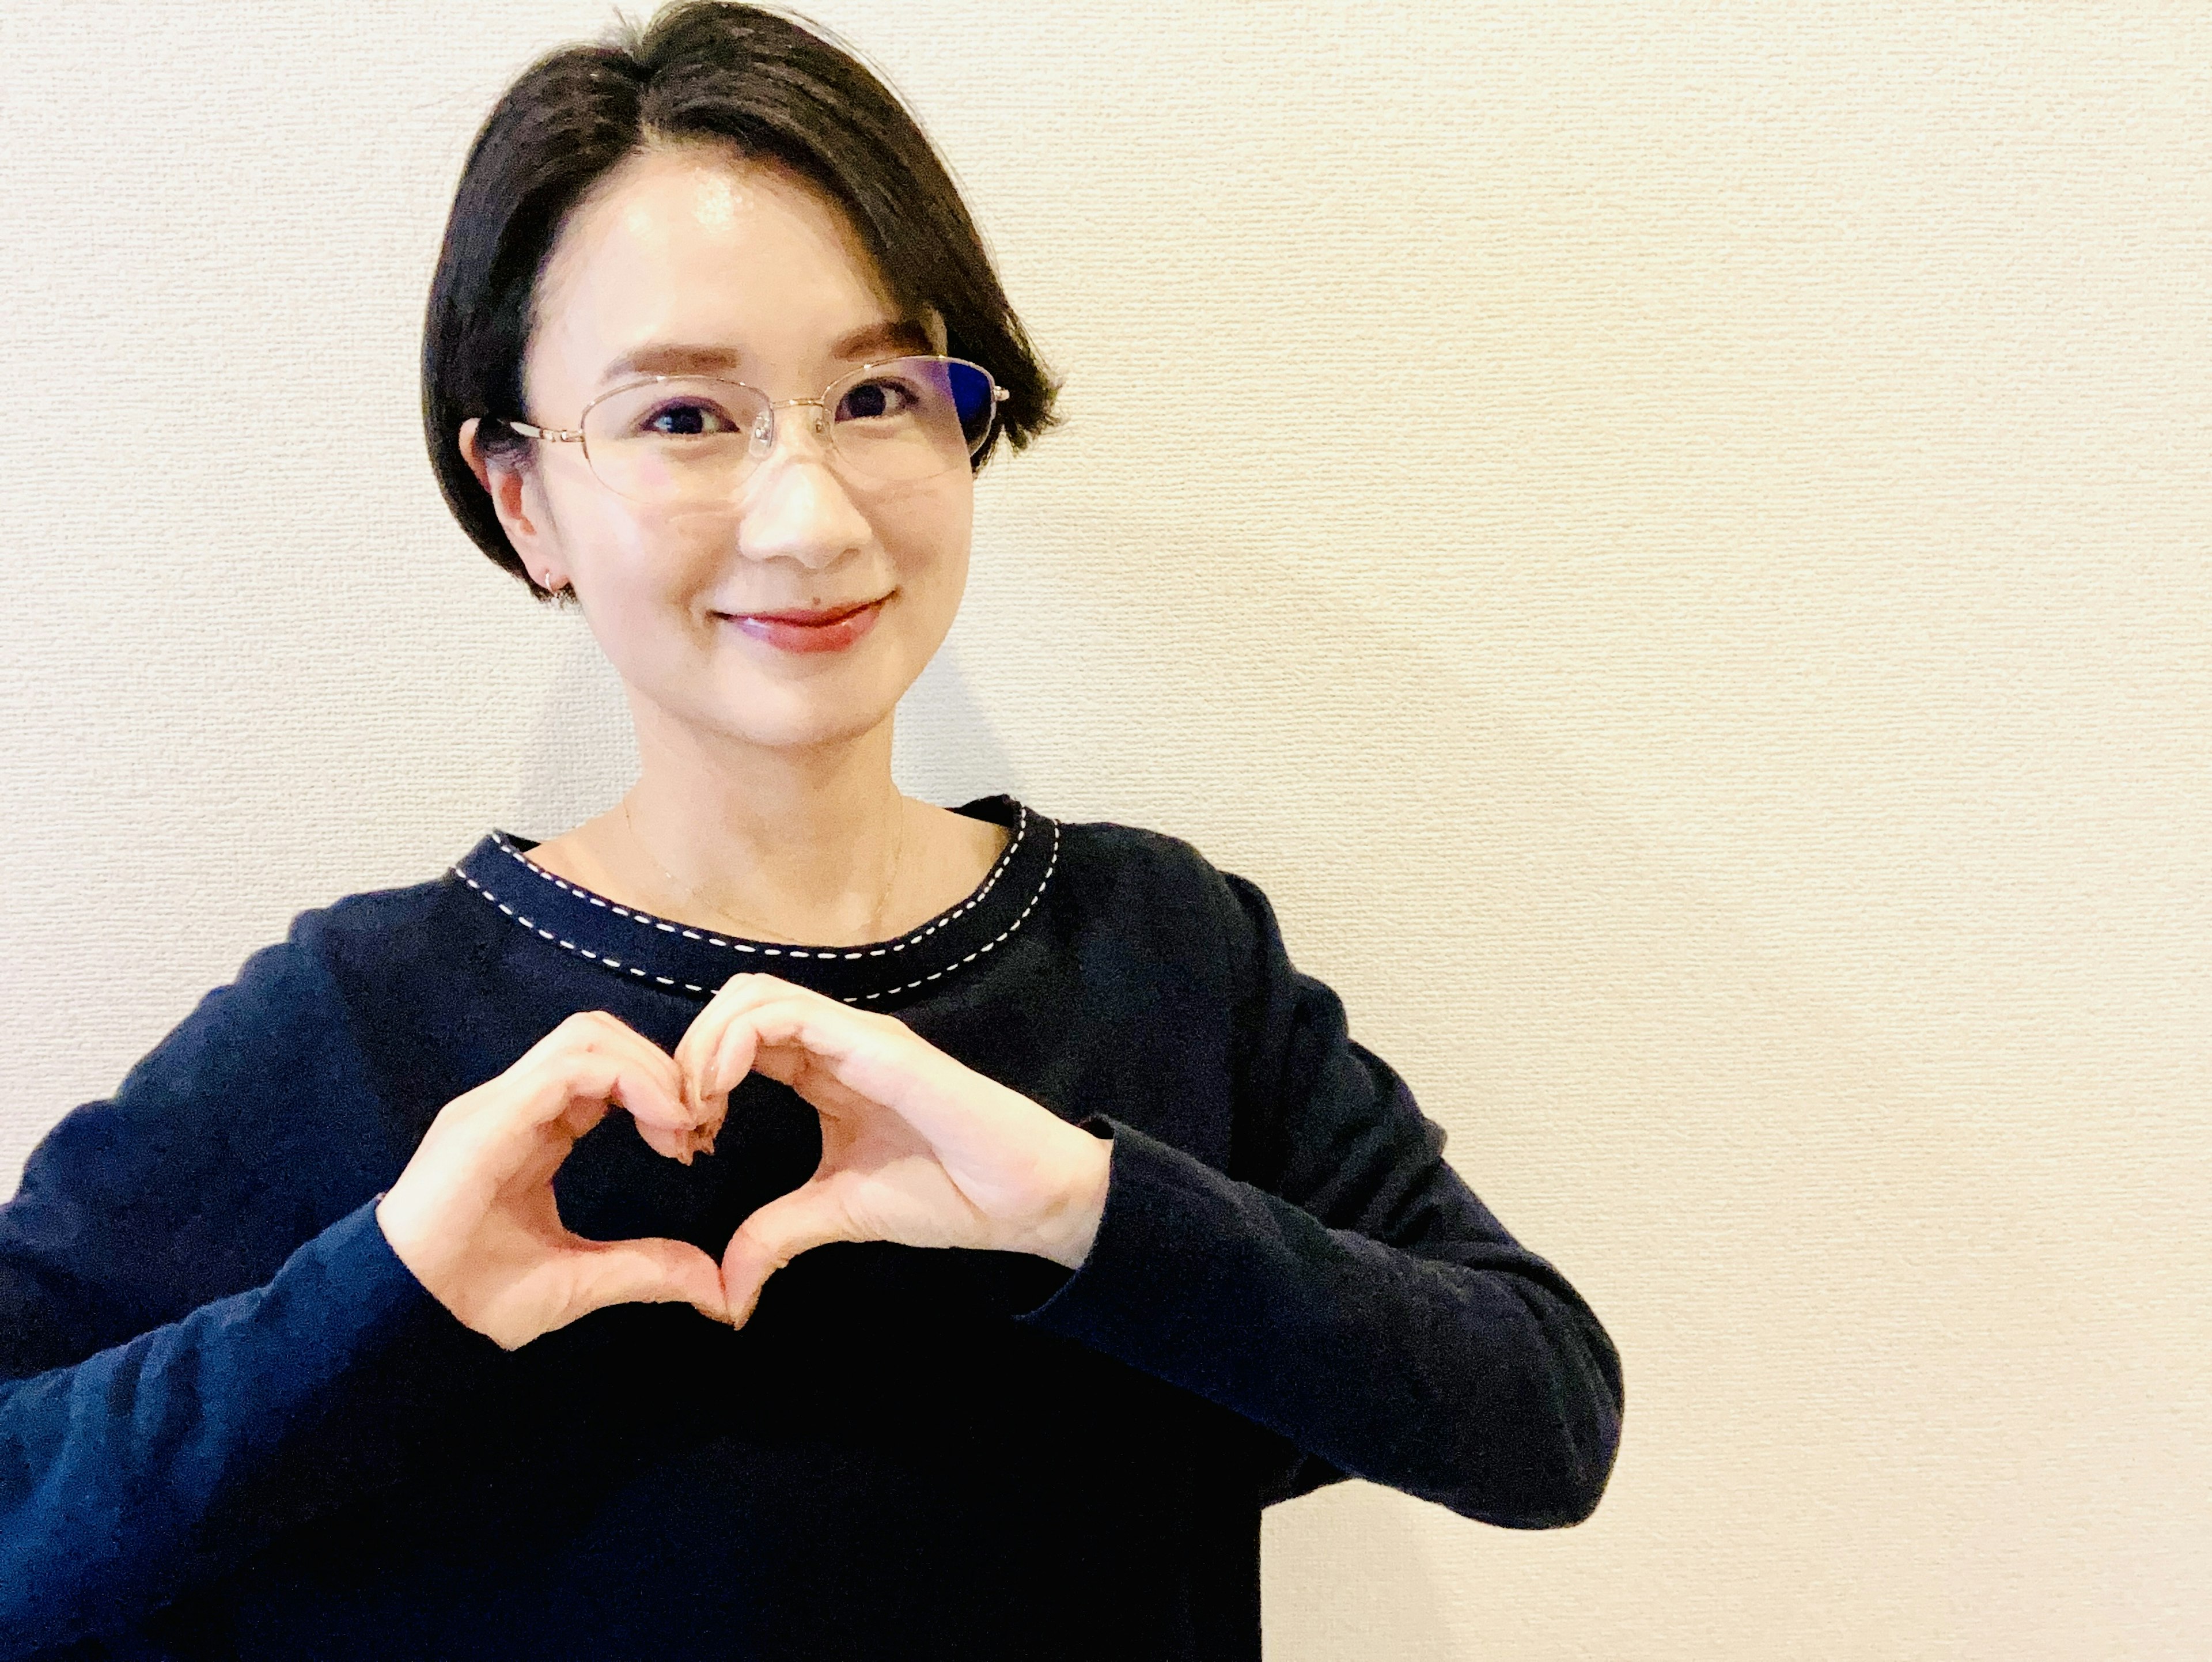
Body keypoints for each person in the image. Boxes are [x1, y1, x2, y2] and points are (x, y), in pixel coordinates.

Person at [0, 3, 1623, 1656]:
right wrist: (382, 1297)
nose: (810, 514)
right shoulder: (359, 1023)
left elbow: (1542, 1417)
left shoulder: (1170, 953)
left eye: (879, 394)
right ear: (522, 497)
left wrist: (1080, 1207)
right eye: (685, 420)